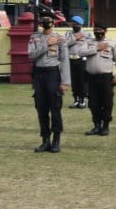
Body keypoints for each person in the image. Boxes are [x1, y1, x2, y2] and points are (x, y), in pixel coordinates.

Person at [27, 12, 71, 152]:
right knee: (41, 108)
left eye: (48, 19)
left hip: (53, 74)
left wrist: (65, 82)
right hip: (39, 75)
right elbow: (31, 55)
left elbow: (64, 61)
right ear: (40, 21)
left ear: (53, 21)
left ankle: (56, 140)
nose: (46, 22)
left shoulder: (60, 38)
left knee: (55, 108)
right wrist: (46, 45)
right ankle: (45, 140)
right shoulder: (35, 37)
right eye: (43, 19)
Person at [82, 23, 116, 136]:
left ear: (105, 30)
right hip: (91, 77)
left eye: (100, 29)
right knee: (93, 103)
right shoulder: (89, 42)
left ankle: (105, 126)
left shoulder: (112, 43)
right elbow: (80, 52)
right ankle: (96, 126)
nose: (98, 32)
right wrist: (96, 49)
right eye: (96, 29)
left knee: (107, 102)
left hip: (105, 78)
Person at [65, 15, 90, 108]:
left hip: (82, 59)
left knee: (82, 81)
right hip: (71, 59)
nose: (74, 25)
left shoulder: (87, 34)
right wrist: (75, 39)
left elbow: (90, 47)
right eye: (73, 23)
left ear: (81, 25)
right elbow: (65, 44)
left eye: (76, 24)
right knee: (74, 81)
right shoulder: (68, 33)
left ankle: (82, 100)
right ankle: (76, 100)